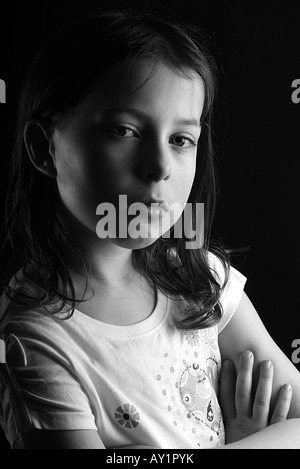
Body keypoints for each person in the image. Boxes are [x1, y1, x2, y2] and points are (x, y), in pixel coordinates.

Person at [0, 8, 299, 450]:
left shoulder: (199, 277)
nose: (159, 167)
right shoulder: (37, 341)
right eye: (124, 130)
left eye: (181, 140)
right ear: (45, 148)